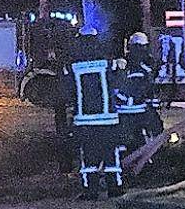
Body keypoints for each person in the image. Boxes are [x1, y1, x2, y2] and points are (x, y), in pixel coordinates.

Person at [64, 25, 124, 199]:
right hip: (108, 120)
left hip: (85, 121)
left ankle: (90, 192)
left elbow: (68, 92)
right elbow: (118, 83)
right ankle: (115, 190)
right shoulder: (108, 63)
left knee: (88, 157)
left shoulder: (72, 65)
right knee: (111, 156)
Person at [116, 32, 160, 153]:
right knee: (140, 141)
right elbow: (149, 90)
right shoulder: (145, 68)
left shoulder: (122, 65)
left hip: (124, 113)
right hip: (138, 112)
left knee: (128, 143)